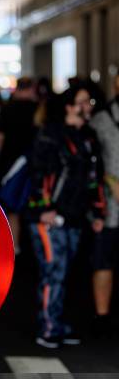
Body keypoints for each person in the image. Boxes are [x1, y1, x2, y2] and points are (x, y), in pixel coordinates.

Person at [26, 85, 105, 348]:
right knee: (54, 272)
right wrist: (44, 208)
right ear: (69, 106)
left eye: (90, 101)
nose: (89, 106)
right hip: (49, 217)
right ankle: (48, 327)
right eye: (83, 102)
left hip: (75, 216)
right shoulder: (51, 134)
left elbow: (94, 178)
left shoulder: (88, 137)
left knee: (67, 271)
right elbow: (38, 174)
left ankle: (57, 322)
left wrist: (97, 210)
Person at [0, 77, 39, 253]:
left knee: (11, 204)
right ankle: (35, 246)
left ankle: (14, 246)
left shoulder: (7, 109)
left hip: (10, 162)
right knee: (32, 202)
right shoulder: (37, 109)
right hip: (33, 162)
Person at [89, 75, 119, 336]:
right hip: (109, 207)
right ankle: (102, 316)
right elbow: (94, 164)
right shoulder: (102, 119)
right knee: (103, 261)